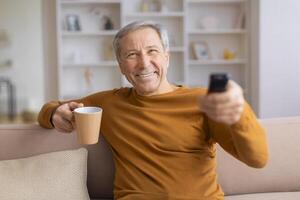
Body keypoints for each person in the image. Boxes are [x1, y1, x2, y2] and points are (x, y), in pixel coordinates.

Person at [38, 21, 268, 200]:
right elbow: (50, 109)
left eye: (152, 51)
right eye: (131, 55)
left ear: (166, 58)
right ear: (121, 65)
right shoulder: (108, 103)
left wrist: (240, 110)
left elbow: (257, 159)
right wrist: (54, 113)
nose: (144, 63)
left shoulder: (202, 101)